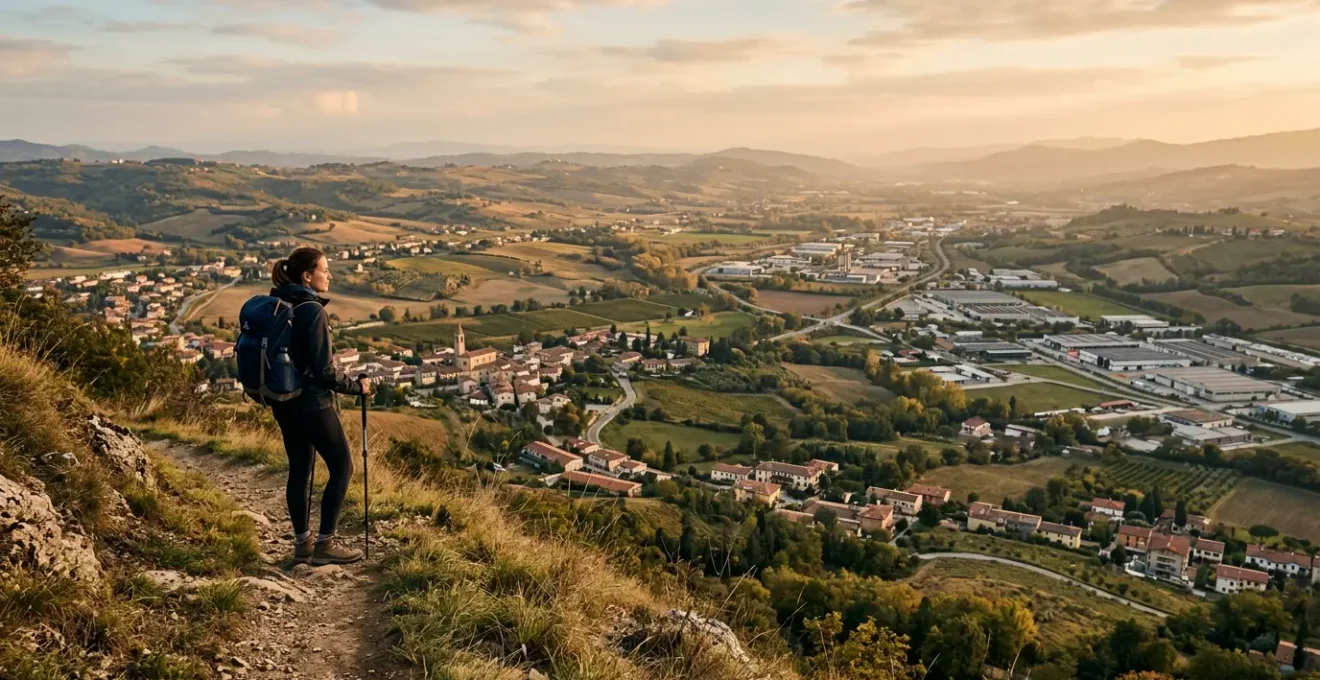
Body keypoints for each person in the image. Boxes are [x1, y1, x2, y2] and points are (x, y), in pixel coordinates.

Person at [267, 247, 372, 565]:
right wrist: (359, 388)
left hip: (284, 402)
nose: (329, 275)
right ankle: (325, 544)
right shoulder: (312, 311)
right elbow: (324, 371)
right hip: (313, 404)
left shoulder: (280, 304)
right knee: (342, 467)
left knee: (300, 469)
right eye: (324, 270)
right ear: (307, 276)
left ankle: (302, 544)